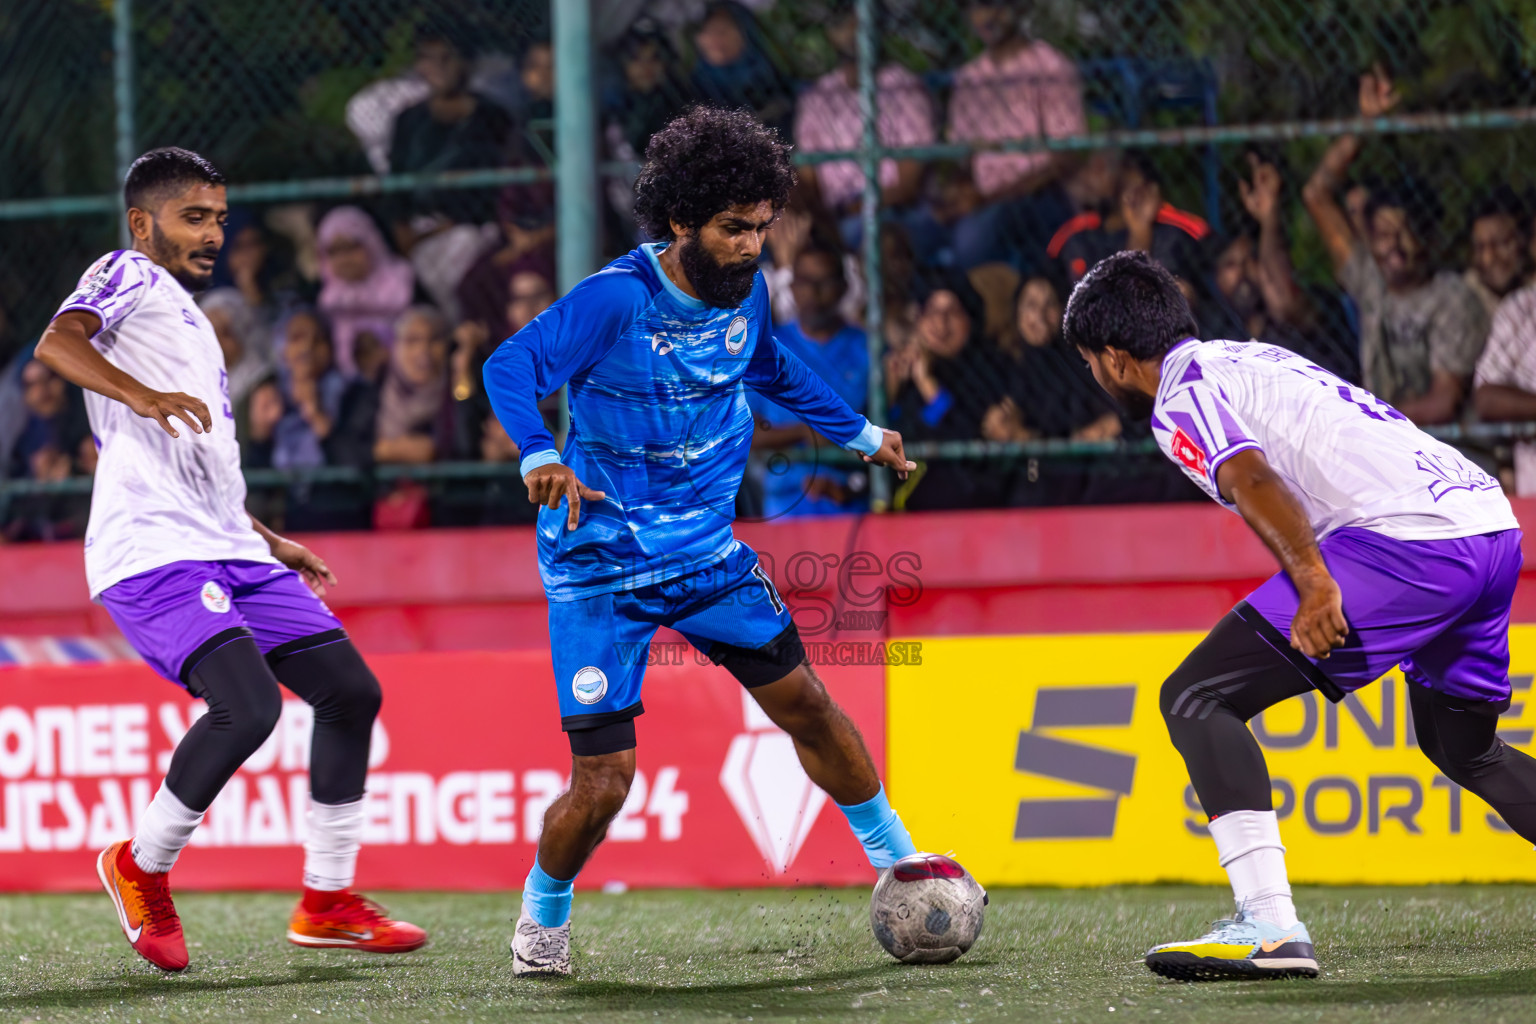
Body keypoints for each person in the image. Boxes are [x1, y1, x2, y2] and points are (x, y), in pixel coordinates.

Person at [482, 107, 921, 977]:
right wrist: (538, 450)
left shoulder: (747, 292)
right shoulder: (618, 298)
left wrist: (863, 435)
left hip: (708, 560)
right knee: (605, 782)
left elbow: (773, 369)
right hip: (598, 566)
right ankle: (543, 915)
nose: (753, 246)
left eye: (763, 227)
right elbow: (510, 365)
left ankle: (904, 866)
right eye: (733, 229)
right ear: (681, 221)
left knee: (807, 705)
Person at [1065, 250, 1526, 981]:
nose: (1096, 376)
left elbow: (1250, 474)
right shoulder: (1246, 356)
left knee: (1195, 697)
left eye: (1092, 362)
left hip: (1411, 544)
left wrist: (1313, 581)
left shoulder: (1180, 395)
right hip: (1488, 522)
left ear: (1117, 359)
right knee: (1464, 748)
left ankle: (1271, 927)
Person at [33, 148, 425, 971]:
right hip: (153, 550)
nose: (214, 233)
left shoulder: (186, 318)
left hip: (226, 544)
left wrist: (263, 535)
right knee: (248, 708)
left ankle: (327, 901)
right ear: (145, 224)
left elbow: (199, 460)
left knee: (350, 691)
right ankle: (139, 867)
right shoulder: (126, 274)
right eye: (194, 217)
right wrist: (135, 395)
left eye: (218, 217)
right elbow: (56, 343)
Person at [1302, 67, 1487, 424]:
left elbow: (1442, 403)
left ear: (1430, 238)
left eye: (1407, 233)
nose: (1395, 247)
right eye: (1384, 235)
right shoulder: (1369, 278)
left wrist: (1367, 423)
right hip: (1386, 444)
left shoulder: (1453, 297)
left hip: (1444, 453)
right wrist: (1364, 124)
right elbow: (1316, 194)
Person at [944, 0, 1084, 271]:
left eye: (995, 5)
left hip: (1038, 194)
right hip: (983, 199)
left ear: (1019, 8)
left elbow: (1064, 157)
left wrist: (991, 198)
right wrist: (959, 191)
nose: (986, 16)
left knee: (972, 242)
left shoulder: (1050, 66)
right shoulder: (969, 78)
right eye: (975, 8)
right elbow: (961, 159)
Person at [388, 26, 512, 315]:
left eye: (447, 58)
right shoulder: (409, 120)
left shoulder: (492, 117)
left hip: (473, 228)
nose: (437, 67)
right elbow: (395, 183)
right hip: (421, 228)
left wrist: (452, 226)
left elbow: (495, 189)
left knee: (463, 252)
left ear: (466, 62)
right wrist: (402, 230)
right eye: (427, 58)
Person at [794, 3, 936, 253]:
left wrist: (853, 209)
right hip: (831, 213)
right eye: (841, 24)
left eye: (858, 22)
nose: (851, 31)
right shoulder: (818, 96)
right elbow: (806, 178)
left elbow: (908, 184)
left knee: (856, 231)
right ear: (830, 33)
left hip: (890, 211)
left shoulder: (904, 88)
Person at [749, 243, 871, 518]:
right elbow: (743, 431)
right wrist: (805, 433)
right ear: (791, 287)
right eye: (805, 282)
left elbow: (886, 428)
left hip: (852, 505)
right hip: (785, 507)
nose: (814, 293)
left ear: (843, 287)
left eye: (825, 282)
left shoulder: (868, 349)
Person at [314, 207, 416, 376]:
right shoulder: (327, 298)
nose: (344, 259)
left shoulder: (402, 283)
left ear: (371, 243)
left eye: (351, 247)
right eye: (334, 251)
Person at [688, 3, 794, 136]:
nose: (715, 39)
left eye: (723, 30)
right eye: (707, 31)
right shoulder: (696, 86)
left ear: (745, 32)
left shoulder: (774, 66)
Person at [374, 306, 451, 465]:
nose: (424, 350)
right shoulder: (371, 391)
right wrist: (383, 451)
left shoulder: (457, 394)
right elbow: (348, 448)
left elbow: (464, 446)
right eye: (412, 340)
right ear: (394, 348)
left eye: (435, 339)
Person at [1465, 188, 1529, 318]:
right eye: (1480, 247)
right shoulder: (1464, 296)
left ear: (1523, 239)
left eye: (1500, 243)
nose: (1488, 258)